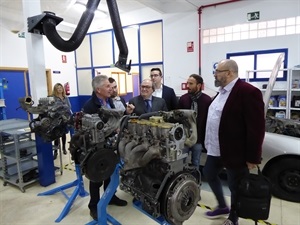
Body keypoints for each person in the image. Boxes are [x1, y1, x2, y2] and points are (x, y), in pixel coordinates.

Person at [203, 59, 265, 225]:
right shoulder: (221, 92)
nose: (215, 74)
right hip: (216, 148)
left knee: (234, 185)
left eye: (218, 71)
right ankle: (223, 206)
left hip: (235, 151)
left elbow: (257, 128)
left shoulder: (248, 92)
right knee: (209, 173)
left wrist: (253, 157)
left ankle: (233, 218)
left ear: (229, 73)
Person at [83, 75, 131, 221]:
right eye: (107, 86)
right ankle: (94, 206)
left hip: (112, 144)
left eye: (111, 86)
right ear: (98, 89)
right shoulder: (90, 106)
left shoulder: (109, 100)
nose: (111, 88)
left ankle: (110, 196)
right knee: (96, 177)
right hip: (97, 147)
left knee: (111, 172)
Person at [178, 74, 211, 168]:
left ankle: (195, 180)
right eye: (187, 83)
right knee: (181, 162)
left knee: (196, 162)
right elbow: (178, 118)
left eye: (191, 83)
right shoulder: (183, 99)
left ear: (199, 85)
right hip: (185, 138)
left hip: (199, 138)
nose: (188, 86)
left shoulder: (207, 100)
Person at [51, 83, 71, 159]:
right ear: (55, 89)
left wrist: (63, 108)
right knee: (56, 135)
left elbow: (69, 106)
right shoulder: (53, 98)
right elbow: (53, 108)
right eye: (58, 88)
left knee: (63, 133)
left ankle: (63, 148)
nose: (60, 89)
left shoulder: (65, 98)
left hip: (65, 118)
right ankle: (55, 151)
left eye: (61, 88)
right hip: (56, 118)